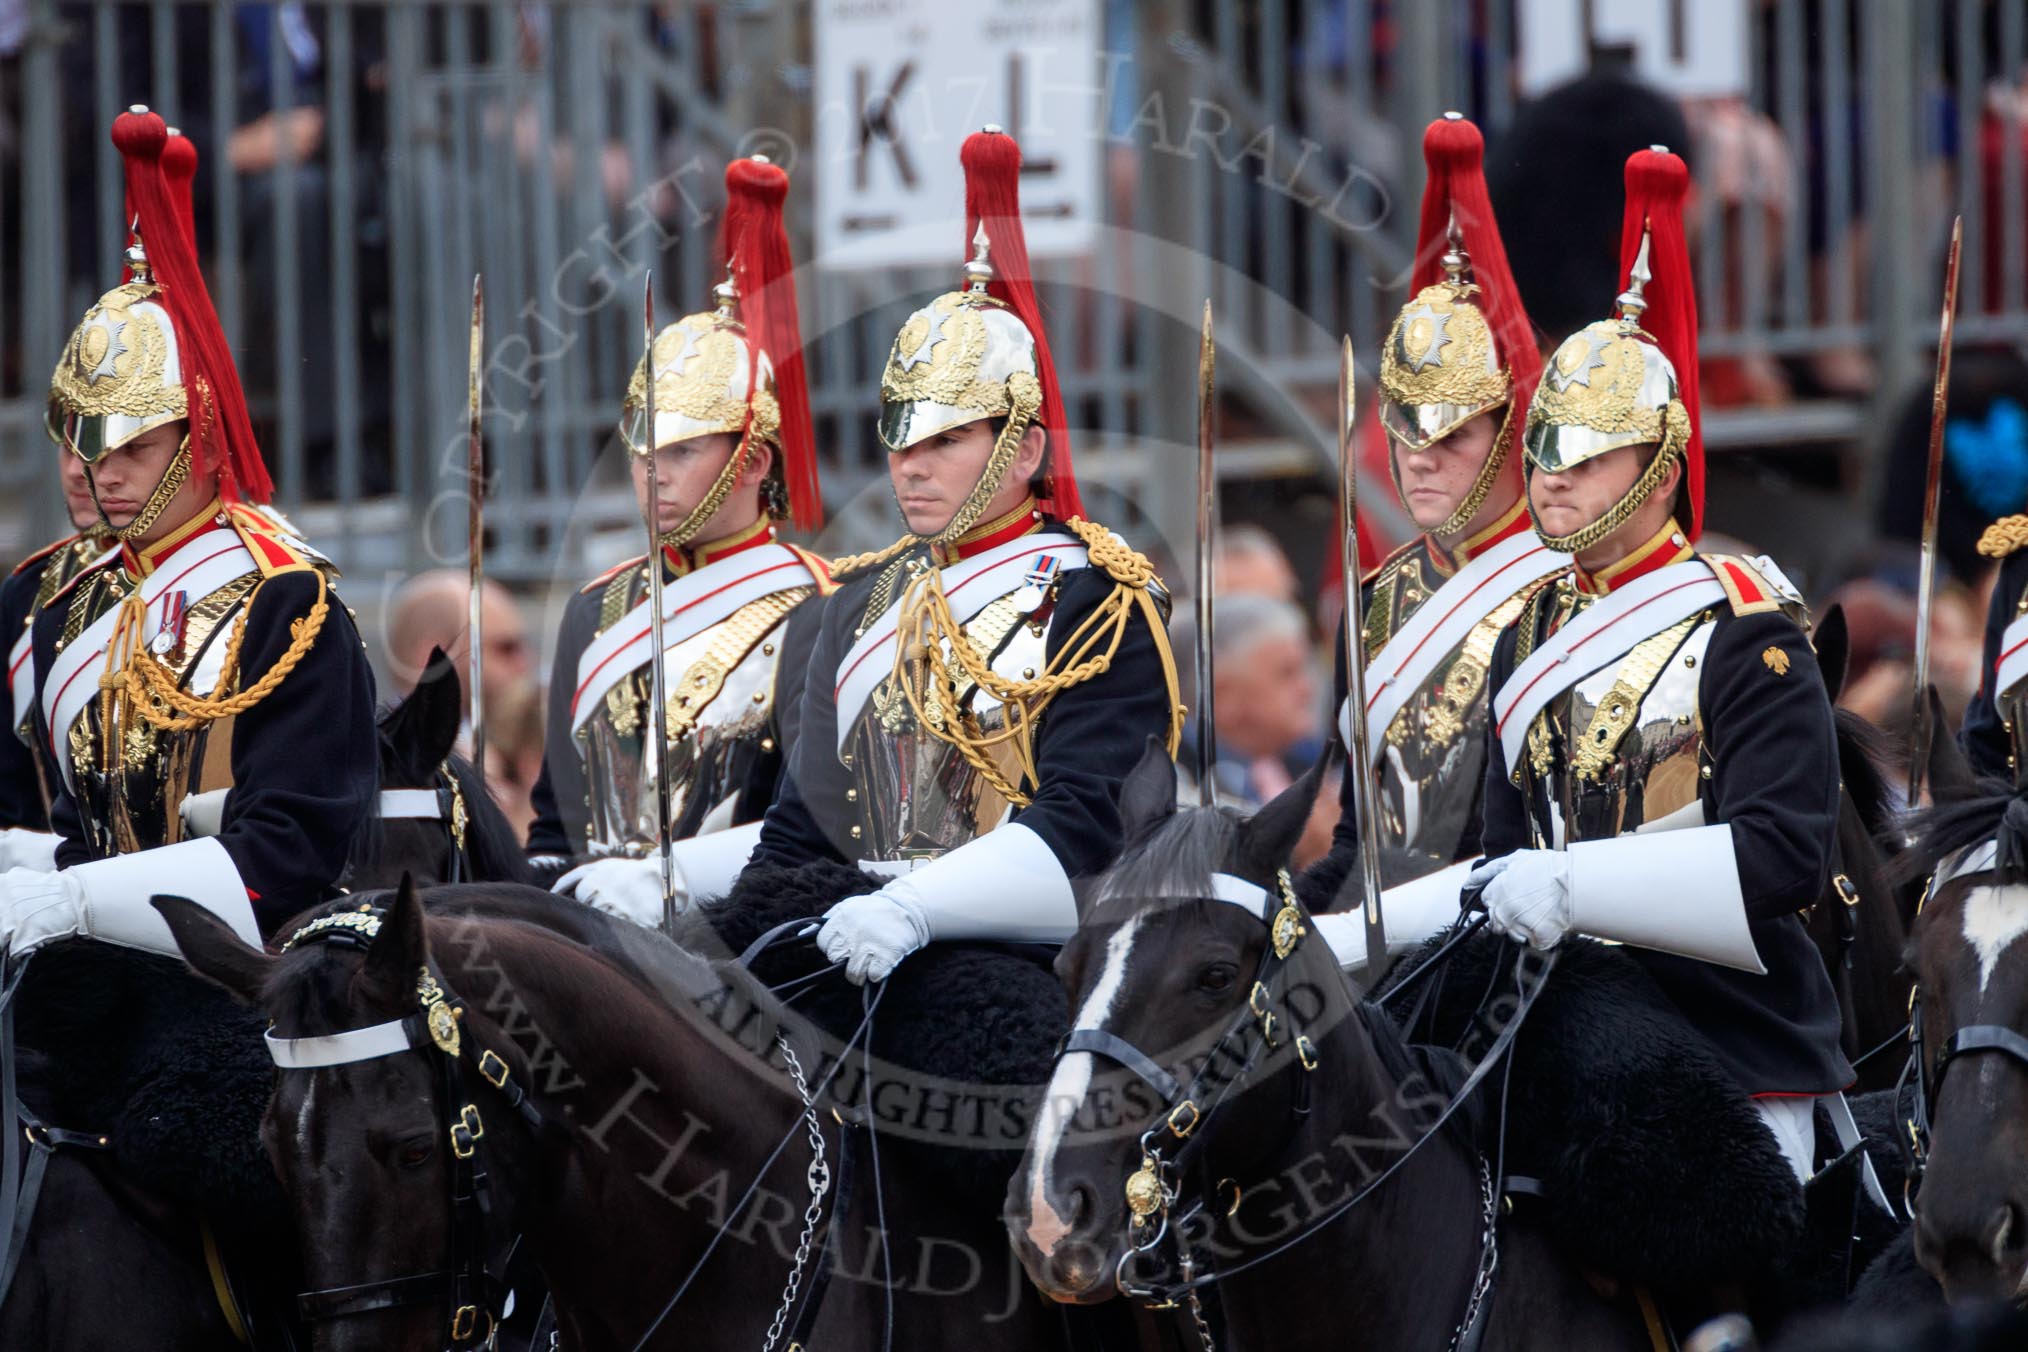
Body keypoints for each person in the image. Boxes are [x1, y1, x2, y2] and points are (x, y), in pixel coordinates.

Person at [1469, 147, 1850, 1183]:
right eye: (1546, 450)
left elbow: (1783, 857)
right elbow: (1499, 853)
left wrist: (1577, 882)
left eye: (1590, 456)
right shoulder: (1527, 630)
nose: (1554, 479)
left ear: (1662, 466)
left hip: (1727, 1032)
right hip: (1553, 1024)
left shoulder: (1743, 629)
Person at [735, 126, 1183, 985]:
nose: (912, 463)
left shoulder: (1099, 599)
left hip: (1024, 957)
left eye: (946, 438)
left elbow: (1089, 836)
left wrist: (917, 907)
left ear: (1022, 450)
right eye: (901, 435)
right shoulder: (858, 602)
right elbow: (801, 833)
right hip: (851, 942)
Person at [0, 104, 375, 957]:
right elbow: (82, 831)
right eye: (87, 444)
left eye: (137, 445)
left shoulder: (288, 602)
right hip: (95, 972)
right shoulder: (64, 607)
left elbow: (289, 856)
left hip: (254, 974)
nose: (106, 474)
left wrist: (80, 898)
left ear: (200, 436)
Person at [1299, 113, 1565, 947]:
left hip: (1515, 935)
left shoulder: (1564, 596)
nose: (1416, 456)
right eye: (1405, 426)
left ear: (1508, 429)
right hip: (1383, 931)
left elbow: (1534, 850)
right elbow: (1358, 842)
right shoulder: (1374, 602)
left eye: (1450, 434)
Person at [542, 154, 832, 913]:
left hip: (741, 931)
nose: (652, 473)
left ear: (753, 459)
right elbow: (556, 820)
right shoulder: (594, 609)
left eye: (681, 451)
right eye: (643, 451)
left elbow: (810, 827)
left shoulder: (820, 607)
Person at [0, 450, 114, 851]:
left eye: (122, 448)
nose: (74, 472)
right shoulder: (30, 589)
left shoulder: (261, 580)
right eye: (70, 448)